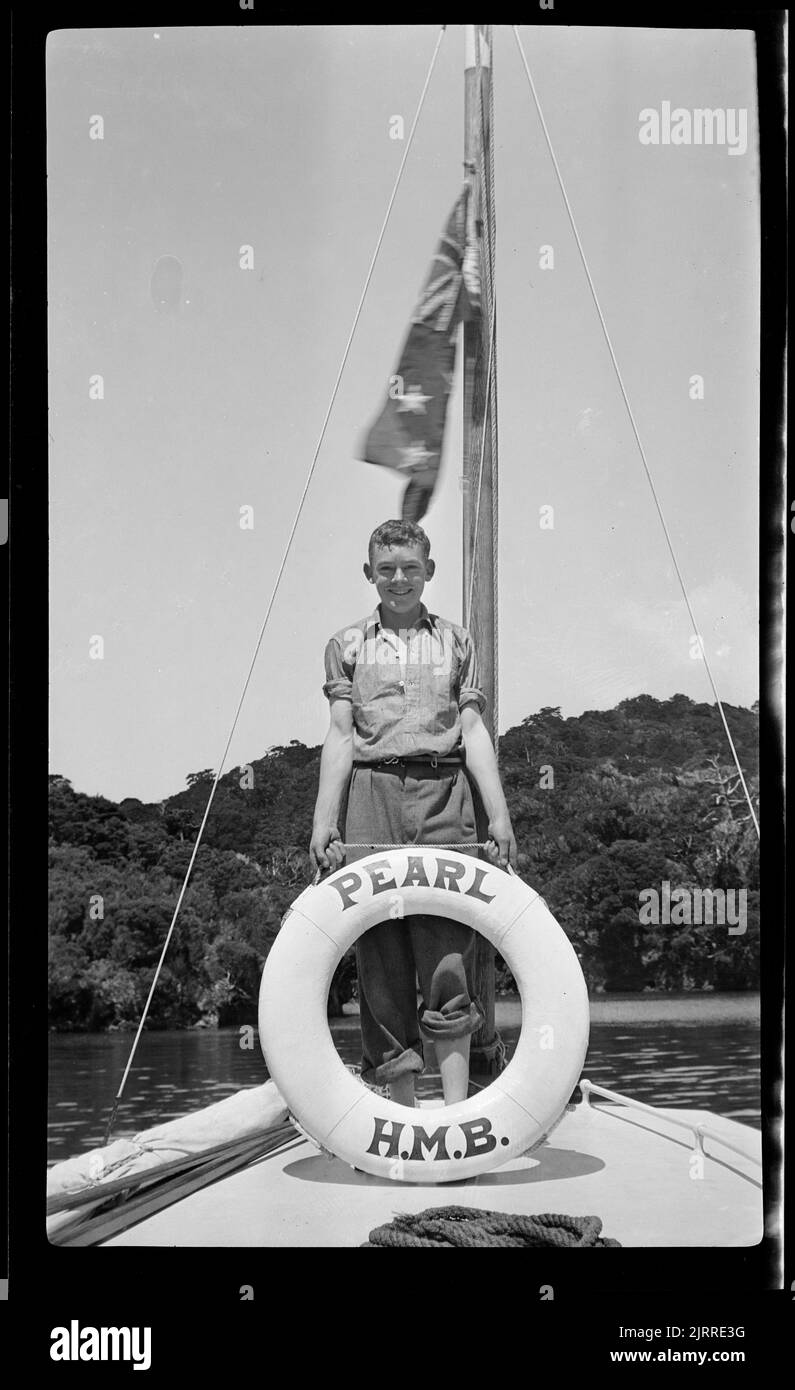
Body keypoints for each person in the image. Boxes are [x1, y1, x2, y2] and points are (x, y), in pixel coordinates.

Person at [309, 518, 516, 1108]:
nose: (398, 579)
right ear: (369, 573)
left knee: (449, 951)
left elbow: (473, 731)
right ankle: (398, 1119)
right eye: (386, 569)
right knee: (380, 956)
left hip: (445, 792)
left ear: (429, 571)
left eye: (410, 568)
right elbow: (341, 736)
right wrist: (326, 821)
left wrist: (498, 816)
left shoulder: (457, 641)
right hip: (371, 797)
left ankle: (457, 1115)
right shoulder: (344, 645)